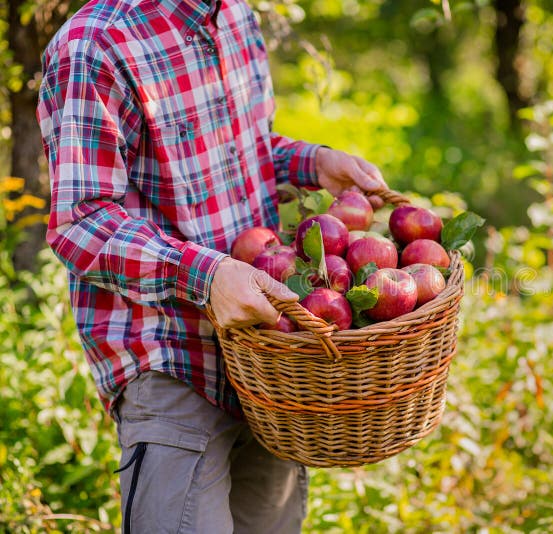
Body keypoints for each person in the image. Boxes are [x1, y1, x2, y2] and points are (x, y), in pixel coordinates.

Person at [36, 0, 387, 531]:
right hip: (175, 357)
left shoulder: (236, 15)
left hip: (271, 356)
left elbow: (245, 150)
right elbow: (80, 222)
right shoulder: (94, 44)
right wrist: (205, 276)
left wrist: (313, 163)